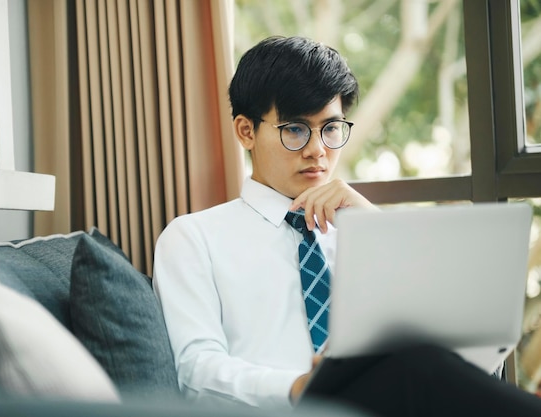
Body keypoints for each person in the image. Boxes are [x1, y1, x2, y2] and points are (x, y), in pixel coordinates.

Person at [152, 36, 541, 417]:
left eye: (331, 128)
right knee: (418, 367)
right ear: (246, 131)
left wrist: (376, 229)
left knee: (423, 363)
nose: (318, 149)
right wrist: (300, 387)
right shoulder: (194, 238)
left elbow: (462, 347)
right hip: (292, 406)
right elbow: (195, 371)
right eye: (295, 129)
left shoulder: (360, 228)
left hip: (401, 398)